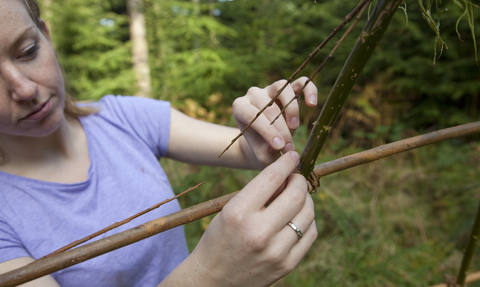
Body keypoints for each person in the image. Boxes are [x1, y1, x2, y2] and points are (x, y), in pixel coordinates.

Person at [0, 0, 318, 286]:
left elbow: (245, 150)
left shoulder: (123, 117)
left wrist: (264, 134)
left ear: (45, 35)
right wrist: (210, 276)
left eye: (28, 51)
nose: (24, 90)